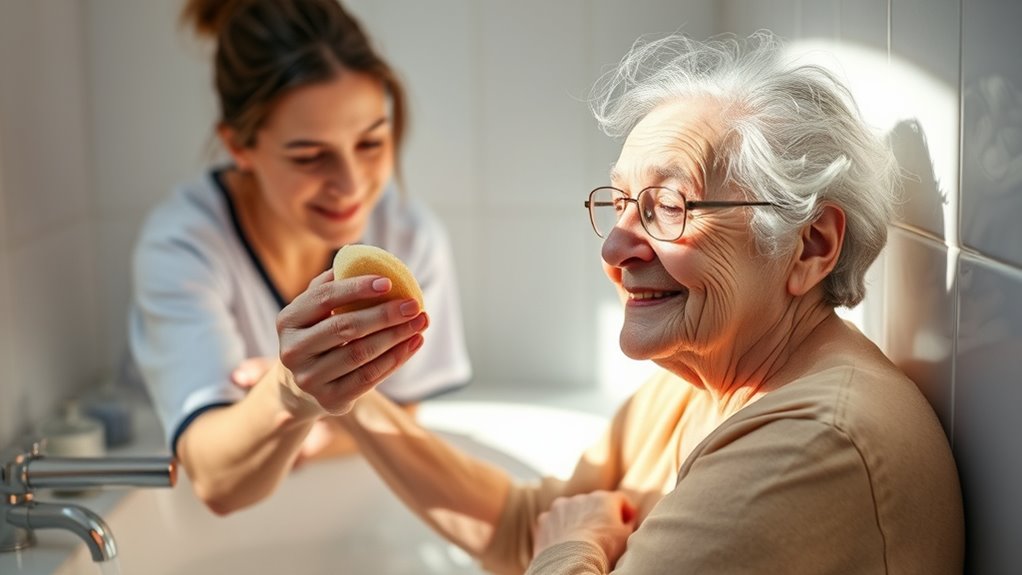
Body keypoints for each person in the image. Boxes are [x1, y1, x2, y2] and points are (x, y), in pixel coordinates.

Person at [278, 32, 963, 573]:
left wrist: (577, 545)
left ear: (810, 245)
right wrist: (351, 392)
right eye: (619, 203)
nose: (615, 248)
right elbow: (526, 525)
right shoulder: (705, 378)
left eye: (667, 206)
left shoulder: (814, 444)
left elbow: (553, 538)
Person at [125, 0, 470, 515]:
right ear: (239, 146)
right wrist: (290, 394)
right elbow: (216, 476)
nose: (352, 186)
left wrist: (319, 427)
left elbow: (408, 408)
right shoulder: (183, 246)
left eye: (372, 142)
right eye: (310, 157)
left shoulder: (408, 234)